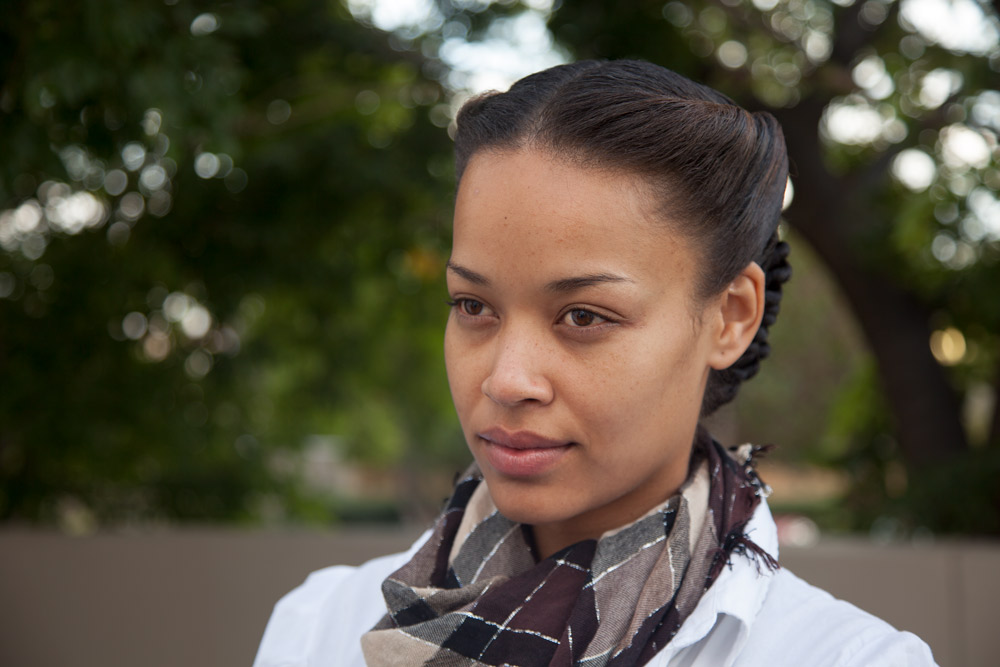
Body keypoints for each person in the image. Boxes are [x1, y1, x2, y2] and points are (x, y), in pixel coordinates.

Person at [253, 60, 938, 666]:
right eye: (473, 306)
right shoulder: (320, 627)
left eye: (584, 315)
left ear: (730, 317)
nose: (505, 378)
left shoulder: (846, 657)